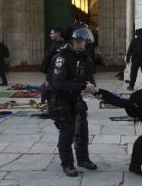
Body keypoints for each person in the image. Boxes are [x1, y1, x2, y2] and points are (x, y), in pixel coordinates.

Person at [47, 27, 98, 177]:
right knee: (67, 131)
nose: (81, 44)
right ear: (70, 41)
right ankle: (67, 164)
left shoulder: (83, 56)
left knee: (82, 129)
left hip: (75, 96)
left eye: (83, 41)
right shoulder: (61, 58)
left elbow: (88, 74)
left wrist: (93, 86)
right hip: (60, 97)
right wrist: (83, 86)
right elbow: (59, 82)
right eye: (78, 41)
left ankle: (83, 159)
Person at [40, 28, 64, 104]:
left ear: (57, 34)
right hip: (50, 72)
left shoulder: (62, 46)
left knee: (52, 91)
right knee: (47, 90)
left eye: (52, 33)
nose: (50, 35)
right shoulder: (54, 44)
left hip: (55, 73)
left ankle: (53, 106)